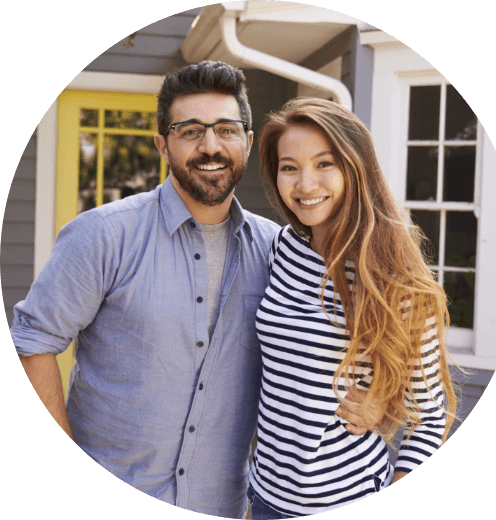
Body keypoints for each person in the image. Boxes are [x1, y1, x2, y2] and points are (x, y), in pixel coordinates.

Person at [9, 62, 380, 518]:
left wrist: (379, 392)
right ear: (163, 145)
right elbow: (33, 341)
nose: (210, 146)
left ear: (246, 141)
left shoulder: (280, 252)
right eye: (190, 131)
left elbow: (346, 340)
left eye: (226, 129)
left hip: (221, 504)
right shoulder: (103, 235)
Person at [247, 97, 458, 518]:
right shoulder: (283, 248)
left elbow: (431, 415)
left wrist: (386, 400)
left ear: (354, 167)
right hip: (264, 497)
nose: (305, 185)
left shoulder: (394, 277)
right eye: (290, 167)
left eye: (324, 164)